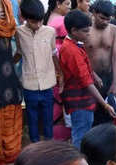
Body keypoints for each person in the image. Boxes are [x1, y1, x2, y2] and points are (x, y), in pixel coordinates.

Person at [59, 9, 116, 149]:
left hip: (82, 99)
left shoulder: (74, 45)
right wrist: (105, 105)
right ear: (74, 31)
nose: (89, 34)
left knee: (84, 131)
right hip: (79, 100)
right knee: (81, 135)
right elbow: (86, 82)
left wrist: (94, 75)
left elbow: (84, 69)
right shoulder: (72, 51)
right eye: (86, 31)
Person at [14, 0, 62, 143]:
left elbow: (54, 53)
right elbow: (19, 52)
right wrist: (9, 65)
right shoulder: (19, 32)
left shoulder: (50, 32)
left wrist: (60, 73)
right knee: (32, 118)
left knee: (48, 117)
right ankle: (35, 144)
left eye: (40, 21)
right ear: (24, 18)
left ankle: (49, 144)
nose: (38, 25)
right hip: (30, 85)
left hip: (47, 84)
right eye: (34, 22)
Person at [0, 0, 23, 165]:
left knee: (11, 107)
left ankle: (9, 155)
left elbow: (12, 28)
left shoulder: (8, 3)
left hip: (6, 69)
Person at [86, 0, 116, 126]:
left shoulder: (113, 30)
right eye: (102, 18)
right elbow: (82, 56)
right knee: (91, 116)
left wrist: (115, 83)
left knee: (108, 116)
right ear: (94, 13)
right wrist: (92, 74)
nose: (105, 22)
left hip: (107, 78)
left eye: (108, 19)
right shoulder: (85, 29)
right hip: (89, 79)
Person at [44, 0, 72, 141]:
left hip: (51, 68)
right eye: (67, 3)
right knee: (61, 104)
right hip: (60, 67)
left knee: (55, 104)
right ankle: (60, 139)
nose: (70, 6)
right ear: (58, 4)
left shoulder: (48, 18)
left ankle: (53, 137)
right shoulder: (62, 21)